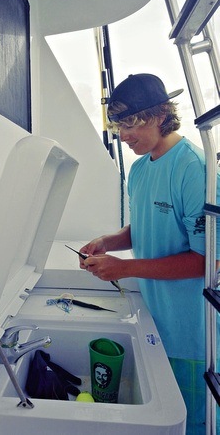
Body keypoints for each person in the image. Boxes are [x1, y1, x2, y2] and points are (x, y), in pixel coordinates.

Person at [79, 73, 220, 435]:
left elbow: (210, 260)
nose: (123, 135)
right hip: (153, 322)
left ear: (159, 115)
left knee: (193, 424)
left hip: (193, 334)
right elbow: (143, 225)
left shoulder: (196, 168)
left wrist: (124, 268)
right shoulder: (140, 170)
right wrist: (109, 242)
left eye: (130, 123)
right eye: (118, 125)